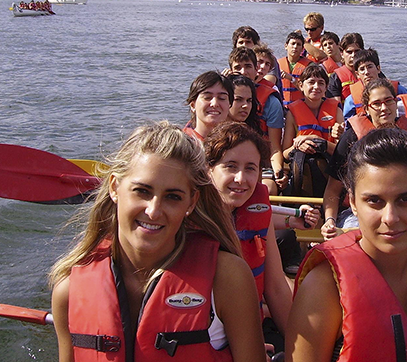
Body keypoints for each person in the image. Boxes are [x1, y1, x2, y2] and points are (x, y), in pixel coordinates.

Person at [49, 121, 266, 362]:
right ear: (114, 187)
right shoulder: (68, 291)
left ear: (191, 202)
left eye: (173, 197)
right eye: (142, 191)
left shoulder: (227, 278)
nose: (154, 211)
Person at [286, 128, 407, 362]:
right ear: (354, 203)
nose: (390, 217)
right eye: (374, 201)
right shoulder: (323, 289)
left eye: (406, 199)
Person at [205, 122, 319, 355]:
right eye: (230, 166)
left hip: (251, 329)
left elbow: (276, 286)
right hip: (205, 339)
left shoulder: (258, 211)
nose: (241, 178)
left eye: (250, 168)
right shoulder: (188, 220)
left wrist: (300, 349)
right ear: (209, 170)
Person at [321, 78, 407, 240]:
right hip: (358, 212)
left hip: (400, 208)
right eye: (377, 104)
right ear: (367, 109)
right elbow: (332, 190)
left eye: (389, 101)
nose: (384, 108)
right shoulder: (351, 138)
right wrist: (329, 220)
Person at [228, 47, 286, 192]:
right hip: (228, 164)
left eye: (248, 66)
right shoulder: (221, 98)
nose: (243, 72)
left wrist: (279, 171)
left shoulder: (271, 102)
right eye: (237, 67)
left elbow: (274, 148)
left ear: (256, 70)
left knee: (267, 188)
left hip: (260, 164)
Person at [281, 64, 343, 196]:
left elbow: (342, 154)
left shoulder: (336, 110)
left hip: (329, 168)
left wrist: (315, 140)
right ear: (301, 85)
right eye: (311, 82)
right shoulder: (292, 113)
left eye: (321, 83)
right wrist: (297, 146)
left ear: (326, 87)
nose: (316, 87)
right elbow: (285, 154)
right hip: (302, 171)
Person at [342, 48, 407, 120]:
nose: (367, 72)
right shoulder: (351, 100)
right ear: (357, 74)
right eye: (362, 69)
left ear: (378, 69)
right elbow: (347, 124)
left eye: (370, 67)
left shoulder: (399, 91)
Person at [185, 71, 234, 141]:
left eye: (222, 98)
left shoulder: (236, 144)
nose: (214, 103)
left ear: (229, 105)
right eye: (207, 97)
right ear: (193, 105)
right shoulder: (181, 145)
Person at [277, 31, 314, 108]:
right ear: (286, 46)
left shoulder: (309, 66)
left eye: (298, 44)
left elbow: (309, 89)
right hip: (282, 106)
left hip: (301, 106)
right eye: (293, 43)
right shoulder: (277, 64)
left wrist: (291, 79)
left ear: (302, 49)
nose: (295, 47)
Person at [326, 33, 364, 100]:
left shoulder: (372, 72)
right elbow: (335, 104)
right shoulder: (335, 78)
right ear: (342, 54)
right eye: (349, 52)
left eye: (357, 51)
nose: (353, 55)